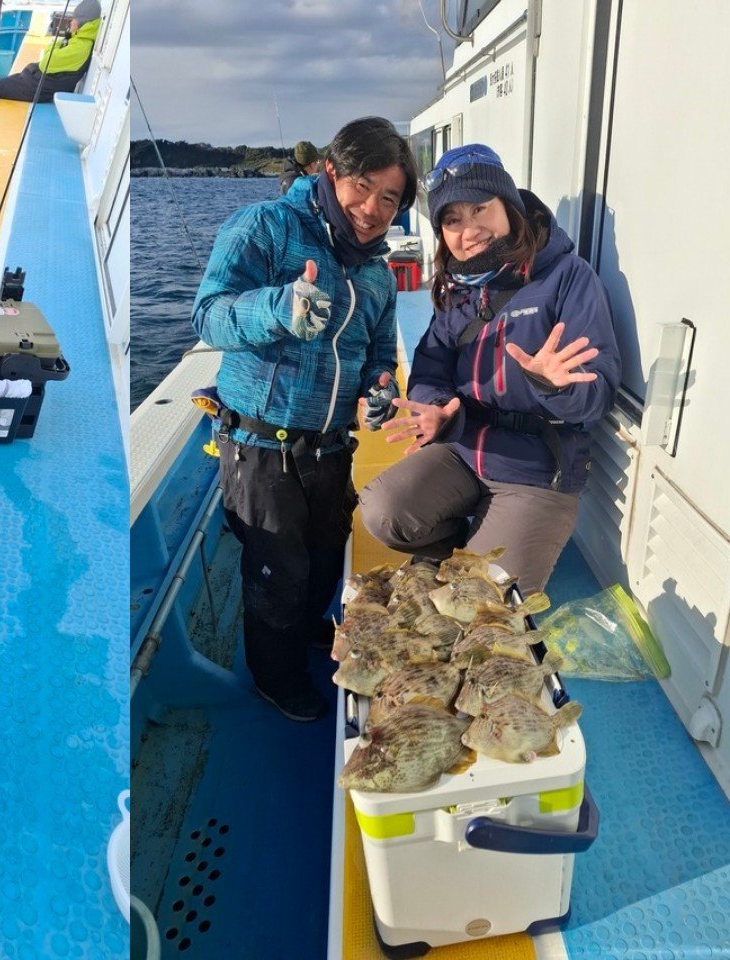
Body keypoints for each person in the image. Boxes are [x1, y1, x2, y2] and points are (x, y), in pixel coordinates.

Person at [191, 117, 416, 722]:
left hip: (332, 445)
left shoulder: (375, 273)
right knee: (277, 571)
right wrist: (277, 307)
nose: (372, 209)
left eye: (389, 198)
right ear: (331, 172)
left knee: (324, 557)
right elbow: (208, 314)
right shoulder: (265, 227)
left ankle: (306, 631)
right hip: (259, 442)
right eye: (363, 186)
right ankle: (276, 676)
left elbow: (377, 354)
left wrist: (380, 387)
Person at [358, 144, 621, 594]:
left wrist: (553, 386)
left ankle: (486, 552)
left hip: (537, 471)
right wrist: (438, 410)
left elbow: (596, 399)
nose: (470, 229)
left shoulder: (568, 276)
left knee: (488, 605)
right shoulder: (459, 287)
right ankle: (459, 548)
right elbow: (429, 368)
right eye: (452, 220)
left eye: (481, 208)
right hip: (462, 450)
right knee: (383, 511)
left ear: (510, 207)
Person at [0, 0, 102, 154]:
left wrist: (56, 45)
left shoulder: (80, 47)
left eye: (75, 19)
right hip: (36, 80)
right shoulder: (78, 41)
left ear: (83, 23)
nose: (72, 22)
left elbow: (46, 61)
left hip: (36, 86)